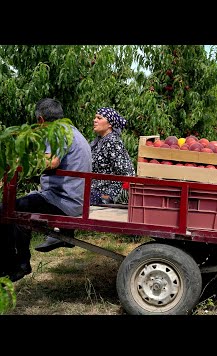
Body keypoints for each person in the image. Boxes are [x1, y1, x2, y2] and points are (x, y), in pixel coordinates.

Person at [0, 98, 92, 281]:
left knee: (6, 210)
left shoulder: (57, 131)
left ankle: (16, 264)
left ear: (41, 120)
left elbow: (52, 161)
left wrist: (21, 163)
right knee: (20, 205)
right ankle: (18, 262)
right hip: (73, 199)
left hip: (64, 201)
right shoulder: (70, 130)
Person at [35, 107, 135, 252]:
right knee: (70, 190)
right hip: (96, 186)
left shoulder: (113, 142)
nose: (95, 120)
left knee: (70, 196)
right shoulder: (99, 141)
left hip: (108, 191)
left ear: (110, 124)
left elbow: (127, 171)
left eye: (99, 118)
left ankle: (60, 233)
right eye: (95, 117)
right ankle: (62, 233)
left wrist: (120, 193)